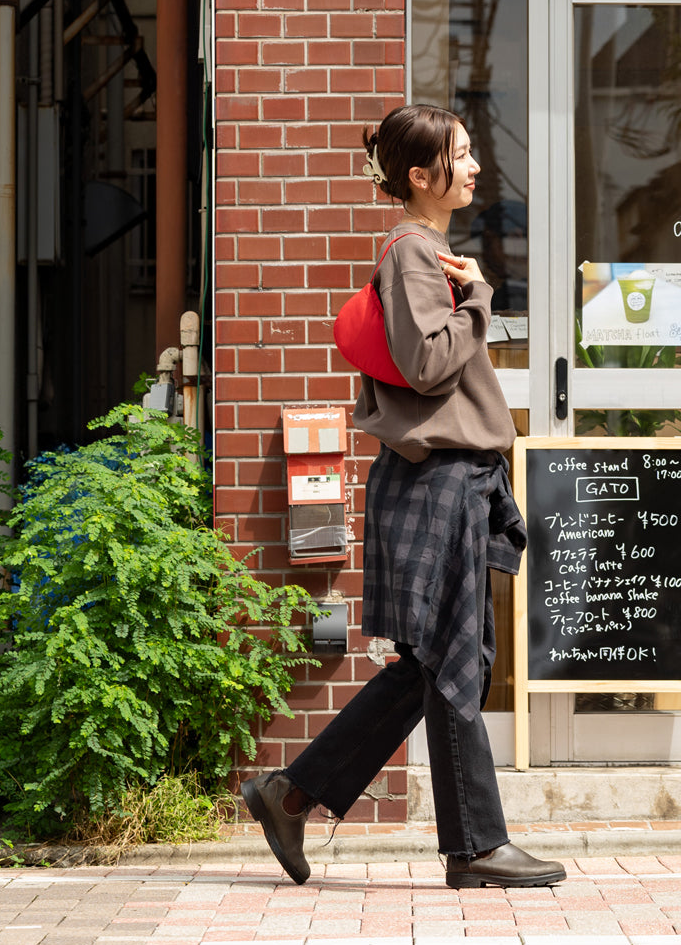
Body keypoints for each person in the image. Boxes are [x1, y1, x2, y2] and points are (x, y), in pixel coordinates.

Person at [241, 104, 566, 890]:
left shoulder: (424, 251)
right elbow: (427, 364)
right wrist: (481, 298)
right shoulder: (416, 253)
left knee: (437, 662)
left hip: (445, 480)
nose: (476, 166)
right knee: (452, 661)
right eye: (462, 155)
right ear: (421, 176)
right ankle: (475, 848)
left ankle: (292, 795)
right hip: (438, 480)